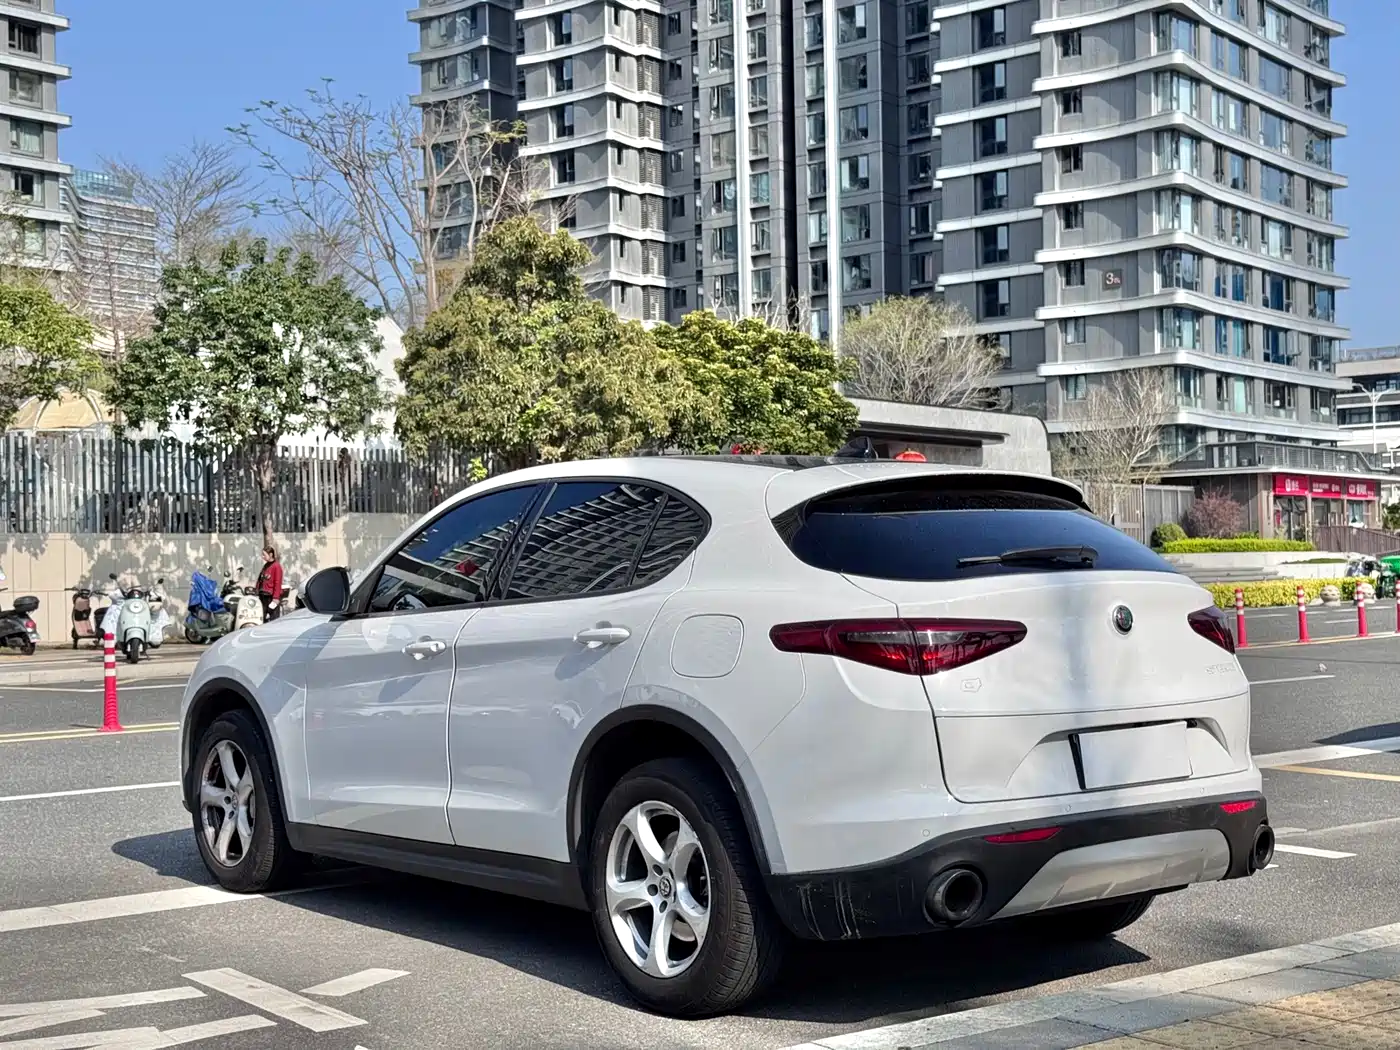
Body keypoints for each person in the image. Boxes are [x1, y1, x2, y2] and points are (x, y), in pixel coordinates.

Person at [256, 545, 283, 622]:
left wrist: (276, 598)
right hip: (263, 596)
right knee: (263, 618)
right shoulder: (266, 566)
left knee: (273, 619)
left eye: (264, 555)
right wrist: (257, 592)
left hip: (271, 597)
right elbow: (260, 579)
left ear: (271, 554)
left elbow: (277, 583)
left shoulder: (276, 566)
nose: (262, 557)